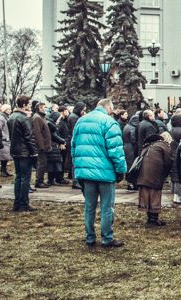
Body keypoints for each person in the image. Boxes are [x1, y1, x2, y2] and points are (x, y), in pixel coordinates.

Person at [71, 98, 127, 248]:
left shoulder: (81, 121)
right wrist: (121, 170)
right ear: (109, 108)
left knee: (89, 207)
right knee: (107, 207)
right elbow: (116, 151)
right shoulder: (109, 123)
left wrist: (77, 168)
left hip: (86, 173)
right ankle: (107, 238)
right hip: (105, 173)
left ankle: (90, 237)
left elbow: (74, 146)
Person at [135, 132, 173, 226]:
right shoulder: (164, 146)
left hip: (143, 174)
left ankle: (150, 218)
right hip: (155, 174)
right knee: (154, 195)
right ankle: (153, 219)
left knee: (147, 195)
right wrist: (165, 174)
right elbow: (169, 162)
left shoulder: (149, 145)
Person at [31, 101, 52, 189]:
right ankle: (39, 181)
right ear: (40, 108)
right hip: (41, 146)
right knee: (41, 163)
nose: (45, 109)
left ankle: (41, 180)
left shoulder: (41, 117)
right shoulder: (37, 118)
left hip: (45, 145)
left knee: (43, 163)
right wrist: (41, 146)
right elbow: (37, 133)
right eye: (44, 107)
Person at [45, 110, 68, 186]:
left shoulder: (51, 124)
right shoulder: (51, 125)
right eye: (58, 118)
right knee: (52, 164)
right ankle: (51, 180)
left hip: (54, 146)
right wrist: (63, 141)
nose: (59, 120)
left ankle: (52, 180)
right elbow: (54, 136)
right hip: (52, 147)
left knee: (53, 164)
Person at [169, 113, 181, 204]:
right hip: (180, 154)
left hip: (171, 153)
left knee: (173, 174)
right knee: (179, 176)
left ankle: (173, 192)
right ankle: (179, 196)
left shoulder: (170, 130)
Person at [66, 102, 86, 183]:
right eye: (83, 109)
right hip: (75, 141)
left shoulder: (74, 116)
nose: (84, 111)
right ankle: (76, 181)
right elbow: (76, 130)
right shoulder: (74, 117)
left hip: (73, 140)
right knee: (75, 162)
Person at [122, 114, 140, 191]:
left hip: (126, 147)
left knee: (128, 166)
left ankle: (129, 183)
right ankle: (132, 184)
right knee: (132, 167)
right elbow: (133, 139)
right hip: (131, 149)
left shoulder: (126, 126)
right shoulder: (132, 128)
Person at [0, 104, 12, 178]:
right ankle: (3, 171)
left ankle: (4, 170)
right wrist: (5, 137)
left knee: (6, 156)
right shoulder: (1, 118)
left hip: (7, 139)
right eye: (9, 109)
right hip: (4, 140)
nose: (10, 110)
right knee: (4, 156)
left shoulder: (6, 117)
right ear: (5, 110)